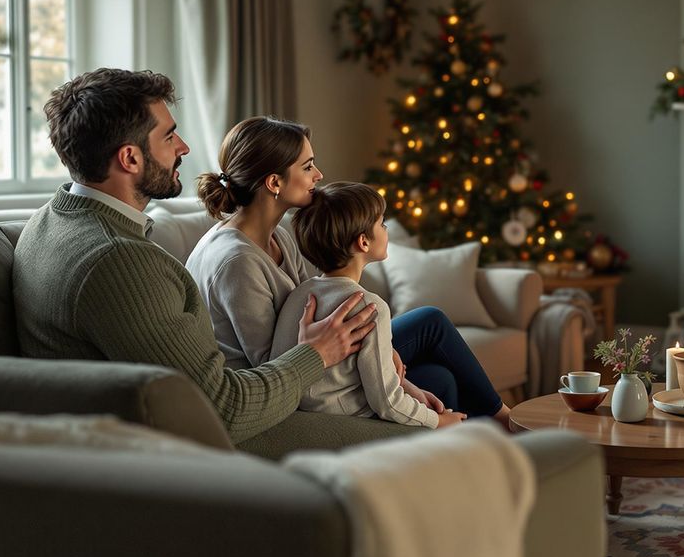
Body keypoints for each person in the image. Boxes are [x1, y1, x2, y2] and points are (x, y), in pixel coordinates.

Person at [12, 69, 377, 445]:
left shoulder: (48, 220)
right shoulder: (118, 261)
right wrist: (317, 352)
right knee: (428, 436)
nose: (183, 147)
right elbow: (223, 411)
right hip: (206, 446)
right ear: (130, 158)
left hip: (167, 426)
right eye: (169, 137)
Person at [186, 116, 496, 417]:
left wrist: (385, 352)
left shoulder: (277, 235)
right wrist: (372, 350)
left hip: (317, 359)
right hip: (287, 393)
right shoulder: (236, 261)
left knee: (437, 374)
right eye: (307, 167)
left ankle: (480, 441)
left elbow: (316, 302)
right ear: (274, 182)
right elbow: (272, 366)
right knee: (431, 329)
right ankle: (499, 423)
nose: (318, 175)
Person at [272, 181, 511, 429]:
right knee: (443, 397)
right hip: (347, 418)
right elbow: (386, 401)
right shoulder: (369, 307)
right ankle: (475, 439)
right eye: (382, 224)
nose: (386, 230)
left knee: (442, 378)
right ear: (363, 242)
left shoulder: (298, 295)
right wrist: (439, 421)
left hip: (310, 410)